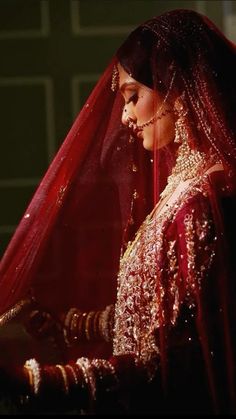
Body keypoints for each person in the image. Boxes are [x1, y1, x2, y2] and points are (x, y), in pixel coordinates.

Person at [0, 8, 236, 414]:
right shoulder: (184, 190)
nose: (126, 116)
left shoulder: (201, 202)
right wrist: (71, 322)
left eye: (132, 97)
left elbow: (165, 364)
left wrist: (34, 381)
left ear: (176, 88)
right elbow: (157, 320)